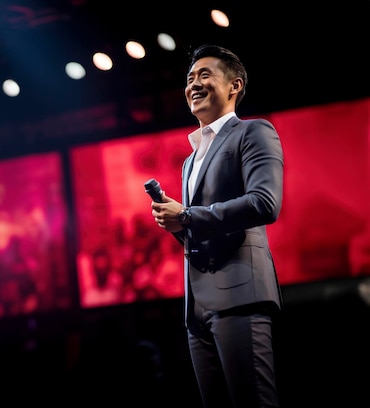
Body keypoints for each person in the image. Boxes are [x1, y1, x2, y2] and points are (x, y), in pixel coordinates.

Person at [149, 44, 284, 407]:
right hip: (198, 308)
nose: (193, 84)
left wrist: (188, 216)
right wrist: (178, 226)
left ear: (234, 86)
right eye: (190, 78)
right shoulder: (189, 161)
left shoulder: (254, 133)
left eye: (204, 75)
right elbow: (201, 230)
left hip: (240, 295)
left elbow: (264, 203)